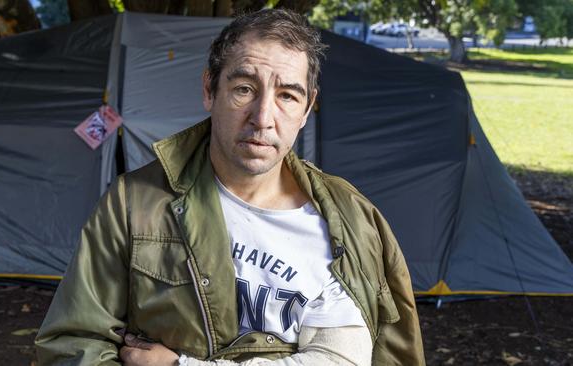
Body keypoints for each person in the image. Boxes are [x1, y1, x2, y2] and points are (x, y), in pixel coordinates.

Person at [35, 9, 424, 366]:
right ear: (210, 89)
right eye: (244, 89)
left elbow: (341, 360)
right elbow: (73, 344)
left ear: (307, 110)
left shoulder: (348, 221)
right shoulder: (133, 204)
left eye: (287, 96)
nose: (263, 118)